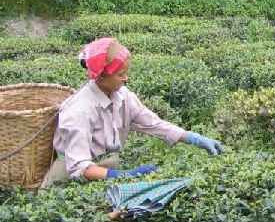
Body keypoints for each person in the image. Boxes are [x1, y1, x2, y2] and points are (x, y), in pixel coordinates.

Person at [41, 37, 225, 188]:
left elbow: (154, 124)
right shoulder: (79, 111)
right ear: (101, 76)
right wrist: (125, 175)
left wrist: (195, 138)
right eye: (120, 74)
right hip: (68, 179)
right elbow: (80, 168)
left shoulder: (123, 96)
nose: (126, 78)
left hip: (106, 167)